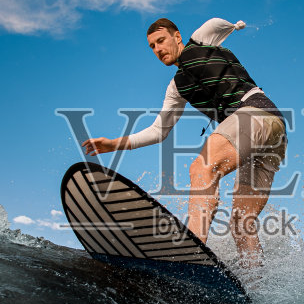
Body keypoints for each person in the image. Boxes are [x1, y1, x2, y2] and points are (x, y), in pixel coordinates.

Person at [81, 17, 287, 269]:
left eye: (161, 41)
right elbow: (159, 131)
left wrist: (233, 26)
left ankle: (191, 256)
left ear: (176, 36)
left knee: (201, 169)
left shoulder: (201, 40)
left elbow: (217, 24)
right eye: (152, 46)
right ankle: (257, 287)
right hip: (274, 132)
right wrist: (115, 144)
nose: (157, 49)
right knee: (242, 222)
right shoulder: (176, 88)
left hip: (255, 113)